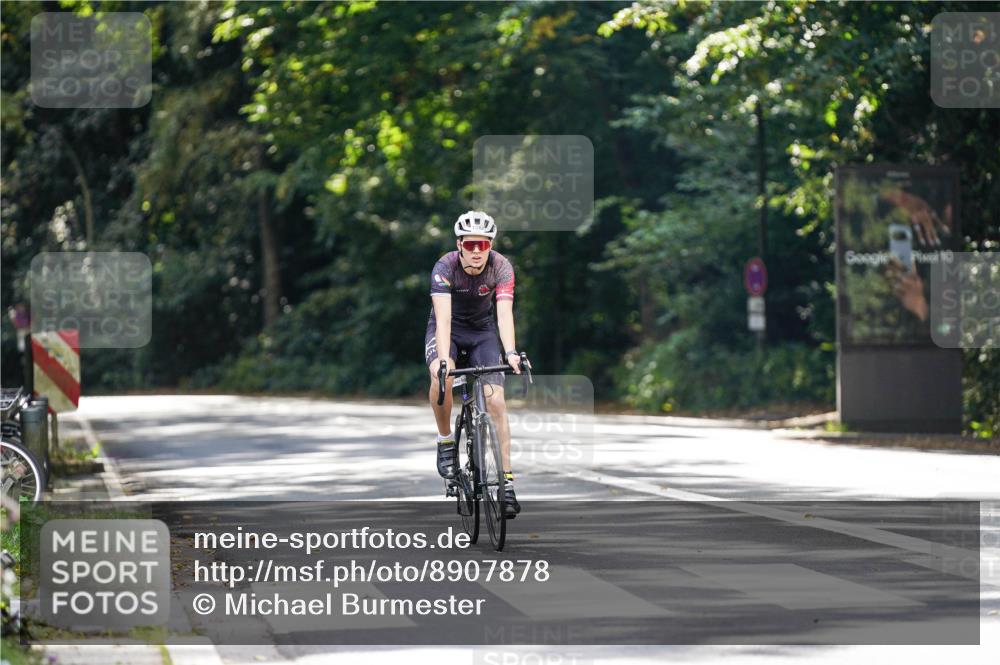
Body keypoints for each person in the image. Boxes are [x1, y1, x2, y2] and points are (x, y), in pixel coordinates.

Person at [425, 211, 522, 517]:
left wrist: (511, 352)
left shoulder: (501, 267)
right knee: (442, 377)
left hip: (482, 332)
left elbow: (504, 315)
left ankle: (507, 483)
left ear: (490, 245)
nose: (477, 251)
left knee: (497, 402)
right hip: (449, 330)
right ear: (460, 245)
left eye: (484, 244)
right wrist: (443, 360)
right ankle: (445, 440)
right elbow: (443, 320)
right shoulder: (445, 267)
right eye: (471, 245)